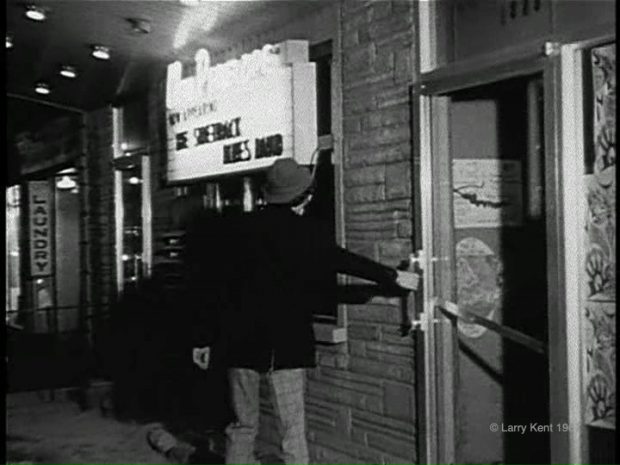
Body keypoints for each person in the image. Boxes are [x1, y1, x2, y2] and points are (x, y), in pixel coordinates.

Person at [191, 158, 419, 464]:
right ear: (304, 197)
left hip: (238, 345)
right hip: (285, 346)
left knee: (243, 426)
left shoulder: (237, 229)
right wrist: (392, 277)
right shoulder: (307, 232)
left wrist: (204, 338)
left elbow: (213, 289)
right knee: (292, 429)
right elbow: (346, 261)